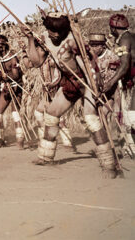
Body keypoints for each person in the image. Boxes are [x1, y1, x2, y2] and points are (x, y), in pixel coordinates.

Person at [23, 12, 118, 178]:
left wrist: (94, 89)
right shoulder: (45, 37)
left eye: (57, 32)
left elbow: (89, 66)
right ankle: (46, 156)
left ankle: (109, 165)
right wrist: (30, 39)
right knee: (51, 114)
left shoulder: (73, 40)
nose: (54, 35)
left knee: (91, 119)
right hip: (69, 82)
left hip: (86, 81)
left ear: (64, 30)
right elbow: (36, 62)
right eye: (51, 31)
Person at [102, 14, 135, 155]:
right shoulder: (127, 38)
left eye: (111, 27)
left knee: (131, 118)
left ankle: (131, 149)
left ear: (114, 28)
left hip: (132, 83)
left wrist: (111, 82)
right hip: (130, 82)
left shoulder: (125, 40)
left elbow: (125, 64)